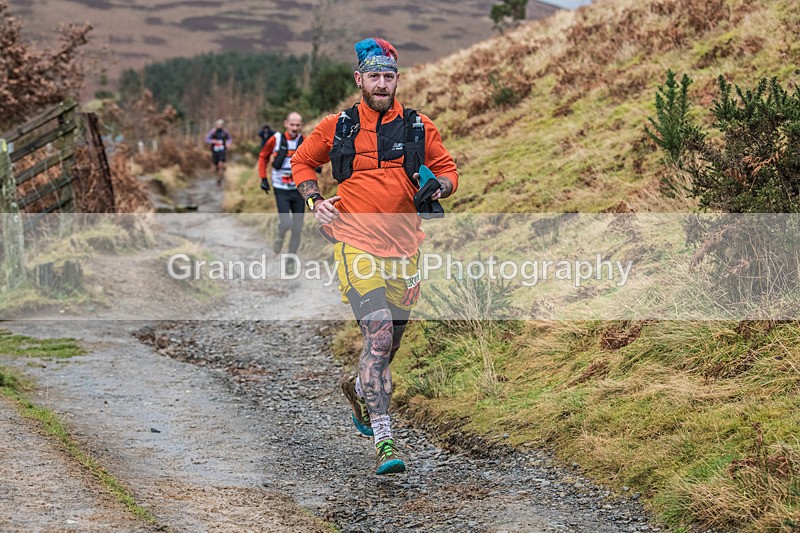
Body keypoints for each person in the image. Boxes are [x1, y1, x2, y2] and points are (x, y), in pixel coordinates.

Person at [291, 38, 458, 475]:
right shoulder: (338, 125)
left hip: (404, 247)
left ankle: (359, 386)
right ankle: (384, 440)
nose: (381, 84)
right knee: (379, 335)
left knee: (389, 344)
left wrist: (439, 187)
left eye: (388, 76)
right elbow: (301, 163)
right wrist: (315, 201)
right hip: (355, 241)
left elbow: (448, 171)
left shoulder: (419, 126)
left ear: (396, 79)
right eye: (373, 76)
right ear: (359, 79)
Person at [257, 112, 306, 268]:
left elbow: (315, 157)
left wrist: (316, 167)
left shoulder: (305, 141)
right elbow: (263, 156)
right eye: (292, 125)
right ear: (286, 124)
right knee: (286, 223)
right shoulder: (276, 139)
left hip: (299, 190)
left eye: (297, 125)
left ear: (301, 126)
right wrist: (263, 178)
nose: (294, 128)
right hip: (281, 189)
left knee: (297, 228)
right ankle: (280, 235)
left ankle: (290, 261)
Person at [205, 119, 232, 186]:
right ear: (216, 125)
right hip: (215, 151)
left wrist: (228, 143)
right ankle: (219, 175)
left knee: (220, 165)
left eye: (221, 124)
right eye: (218, 124)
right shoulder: (213, 131)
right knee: (215, 167)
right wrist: (213, 141)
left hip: (222, 151)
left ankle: (219, 181)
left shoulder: (225, 132)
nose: (219, 126)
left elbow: (229, 138)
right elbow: (207, 139)